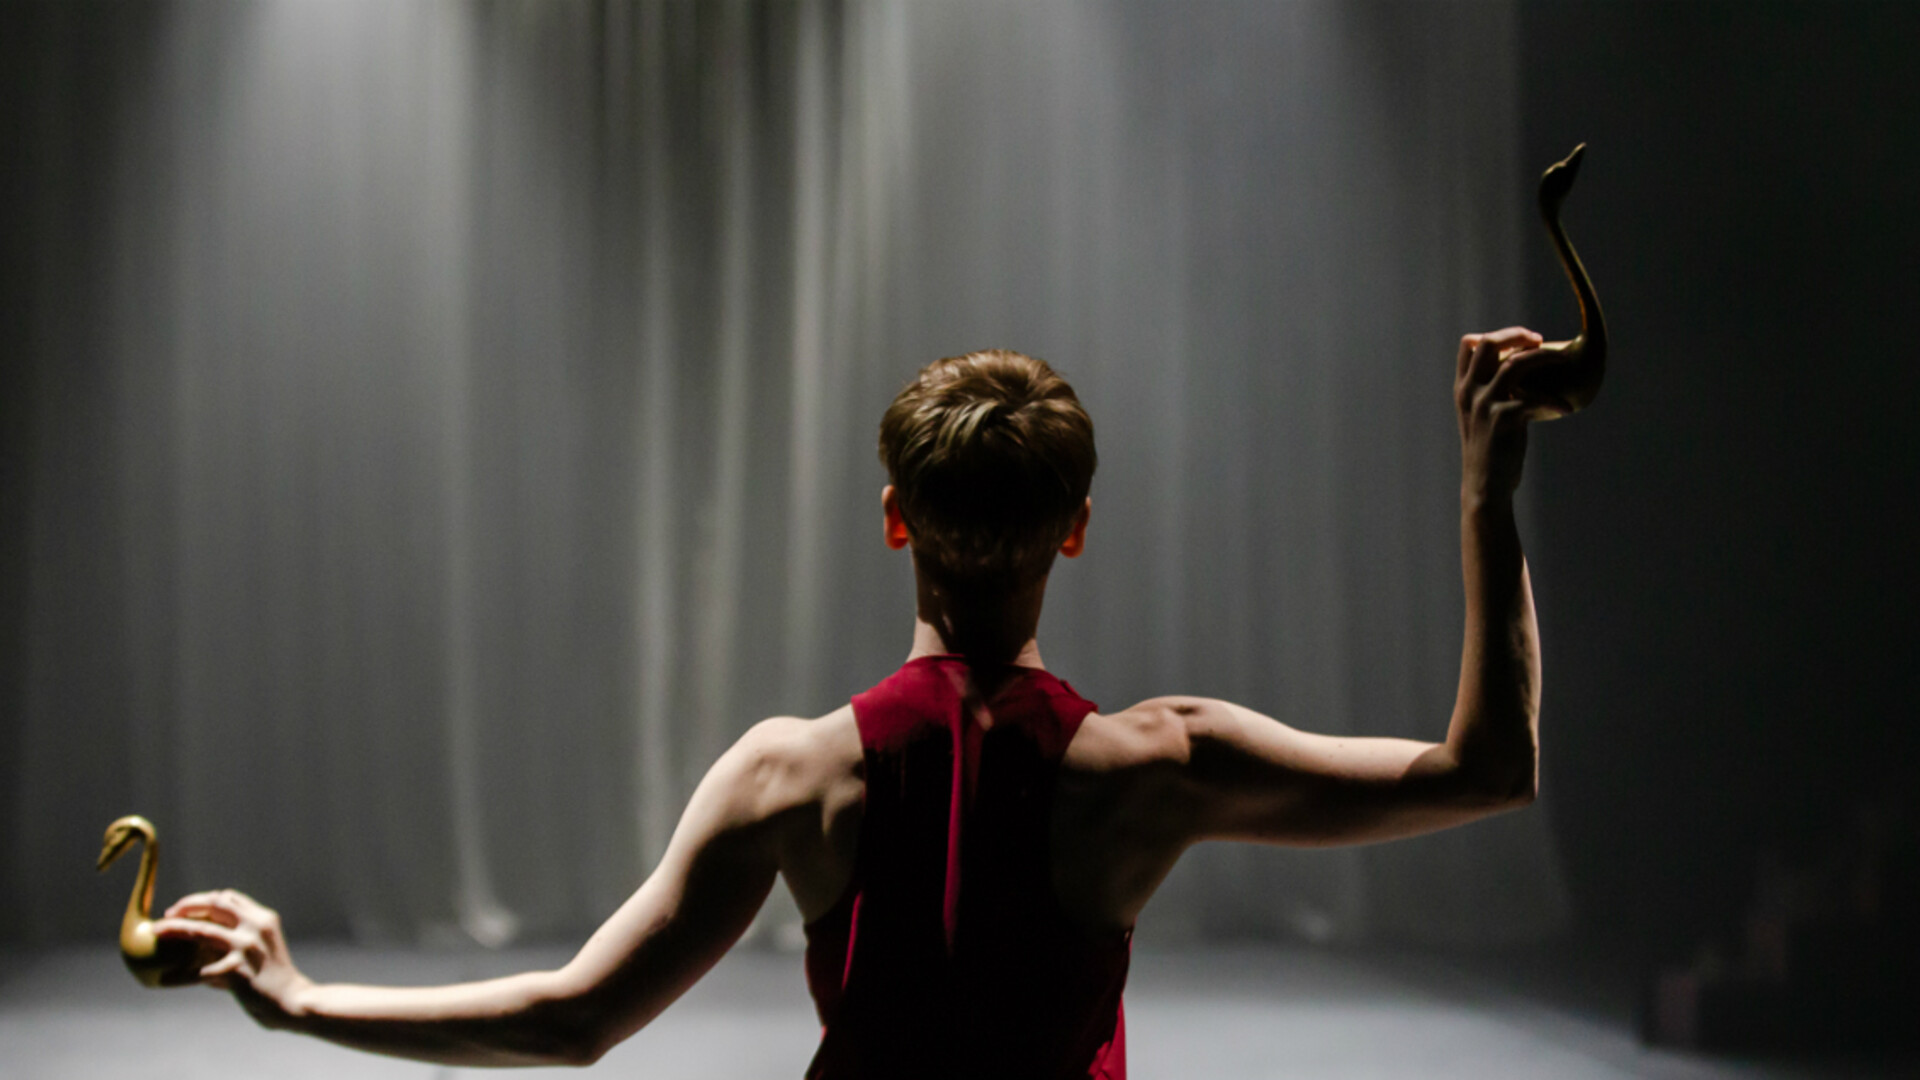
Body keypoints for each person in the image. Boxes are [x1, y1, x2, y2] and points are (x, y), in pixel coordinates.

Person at [157, 327, 1558, 1076]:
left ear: (894, 520)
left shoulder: (789, 780)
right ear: (1076, 527)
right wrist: (1485, 490)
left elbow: (573, 1020)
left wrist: (303, 999)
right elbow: (1484, 770)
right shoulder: (1155, 766)